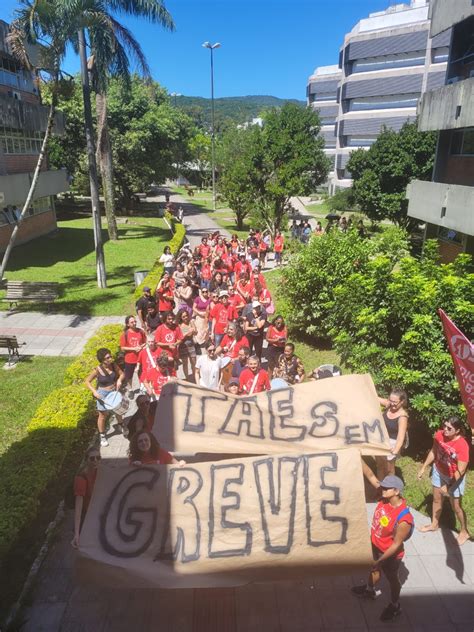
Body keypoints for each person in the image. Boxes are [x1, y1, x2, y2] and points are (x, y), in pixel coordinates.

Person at [351, 475, 414, 622]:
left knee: (392, 579)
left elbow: (396, 544)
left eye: (386, 487)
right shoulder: (384, 498)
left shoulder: (404, 519)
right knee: (374, 570)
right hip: (375, 545)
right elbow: (371, 475)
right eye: (383, 486)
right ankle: (369, 590)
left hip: (390, 555)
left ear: (396, 491)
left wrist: (380, 559)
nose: (382, 489)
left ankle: (395, 605)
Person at [418, 416, 470, 545]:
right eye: (444, 426)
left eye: (449, 428)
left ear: (457, 431)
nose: (445, 430)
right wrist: (423, 467)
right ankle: (434, 524)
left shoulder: (462, 445)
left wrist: (449, 486)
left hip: (454, 477)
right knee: (436, 499)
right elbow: (434, 451)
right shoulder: (439, 435)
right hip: (439, 471)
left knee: (456, 506)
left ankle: (464, 531)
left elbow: (461, 471)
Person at [85, 348, 125, 447]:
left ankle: (121, 425)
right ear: (102, 360)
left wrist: (119, 380)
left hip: (113, 391)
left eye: (110, 356)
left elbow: (122, 374)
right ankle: (102, 436)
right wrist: (94, 392)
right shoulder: (97, 370)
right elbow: (87, 381)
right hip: (102, 394)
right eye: (108, 357)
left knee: (117, 410)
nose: (110, 358)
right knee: (103, 416)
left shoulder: (113, 365)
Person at [71, 445, 101, 548]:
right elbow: (78, 508)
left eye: (98, 457)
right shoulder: (81, 479)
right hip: (88, 515)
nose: (95, 460)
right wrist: (77, 533)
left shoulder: (101, 471)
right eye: (92, 458)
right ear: (86, 460)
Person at [375, 389, 409, 481]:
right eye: (391, 400)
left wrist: (395, 450)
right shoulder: (389, 405)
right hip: (381, 440)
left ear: (402, 402)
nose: (392, 403)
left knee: (389, 469)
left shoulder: (402, 417)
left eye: (395, 402)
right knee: (380, 465)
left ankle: (391, 488)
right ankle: (381, 487)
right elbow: (375, 398)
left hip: (392, 443)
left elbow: (400, 436)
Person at [119, 316, 146, 393]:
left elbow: (145, 342)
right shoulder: (125, 334)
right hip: (130, 359)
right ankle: (130, 389)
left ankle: (142, 387)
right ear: (127, 324)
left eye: (135, 321)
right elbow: (122, 348)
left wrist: (141, 346)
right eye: (132, 322)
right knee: (129, 376)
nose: (134, 323)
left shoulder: (140, 331)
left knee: (141, 374)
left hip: (140, 358)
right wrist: (133, 349)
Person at [177, 309, 197, 382]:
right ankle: (187, 378)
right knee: (185, 363)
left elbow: (195, 333)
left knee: (194, 362)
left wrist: (193, 327)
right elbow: (180, 337)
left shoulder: (191, 322)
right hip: (183, 346)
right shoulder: (179, 325)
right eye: (183, 316)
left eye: (186, 316)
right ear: (180, 318)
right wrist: (188, 332)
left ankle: (195, 377)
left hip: (191, 344)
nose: (185, 318)